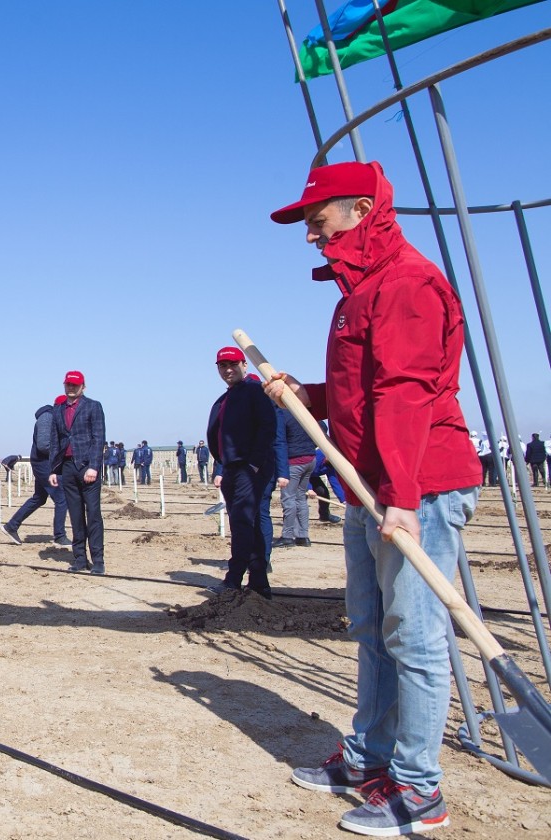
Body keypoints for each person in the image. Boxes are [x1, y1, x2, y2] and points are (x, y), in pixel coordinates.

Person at [267, 160, 481, 836]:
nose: (310, 235)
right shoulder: (357, 294)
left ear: (361, 210)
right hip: (369, 488)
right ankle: (369, 759)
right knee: (370, 629)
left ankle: (419, 792)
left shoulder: (409, 284)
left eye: (316, 220)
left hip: (418, 487)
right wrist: (311, 398)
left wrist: (404, 497)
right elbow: (365, 394)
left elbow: (407, 396)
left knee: (413, 637)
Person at [207, 347, 278, 598]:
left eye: (232, 364)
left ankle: (234, 580)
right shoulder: (226, 397)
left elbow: (268, 426)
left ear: (244, 365)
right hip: (232, 468)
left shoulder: (254, 391)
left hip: (249, 467)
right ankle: (259, 582)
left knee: (243, 523)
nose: (228, 370)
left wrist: (254, 463)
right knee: (248, 524)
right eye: (222, 366)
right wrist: (222, 465)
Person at [48, 371, 107, 574]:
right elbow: (55, 441)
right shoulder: (58, 410)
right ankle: (80, 559)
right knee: (75, 515)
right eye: (68, 385)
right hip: (67, 467)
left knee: (93, 515)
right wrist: (54, 470)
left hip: (86, 467)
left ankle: (98, 560)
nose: (71, 388)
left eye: (75, 385)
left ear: (83, 386)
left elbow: (98, 438)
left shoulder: (93, 406)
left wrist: (94, 466)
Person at [0, 395, 69, 547]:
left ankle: (11, 526)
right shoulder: (47, 418)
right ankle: (60, 536)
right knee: (61, 498)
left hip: (45, 464)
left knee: (39, 498)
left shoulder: (55, 418)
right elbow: (44, 446)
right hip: (44, 464)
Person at [274, 406, 316, 549]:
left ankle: (287, 536)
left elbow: (279, 439)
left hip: (293, 461)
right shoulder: (305, 412)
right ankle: (303, 536)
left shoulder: (283, 414)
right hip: (310, 459)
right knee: (300, 498)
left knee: (288, 498)